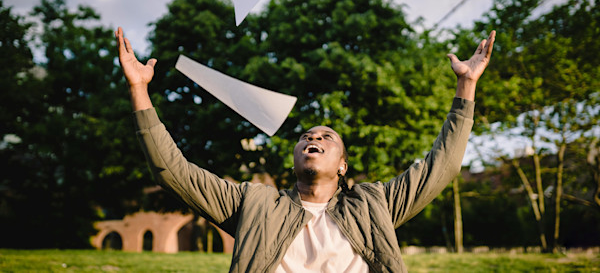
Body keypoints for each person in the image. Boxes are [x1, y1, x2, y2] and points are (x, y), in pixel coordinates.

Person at [116, 27, 495, 272]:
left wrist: (466, 87)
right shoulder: (255, 205)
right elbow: (172, 170)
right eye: (305, 137)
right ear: (295, 158)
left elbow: (440, 167)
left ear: (343, 166)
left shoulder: (374, 202)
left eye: (327, 137)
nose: (313, 139)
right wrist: (139, 90)